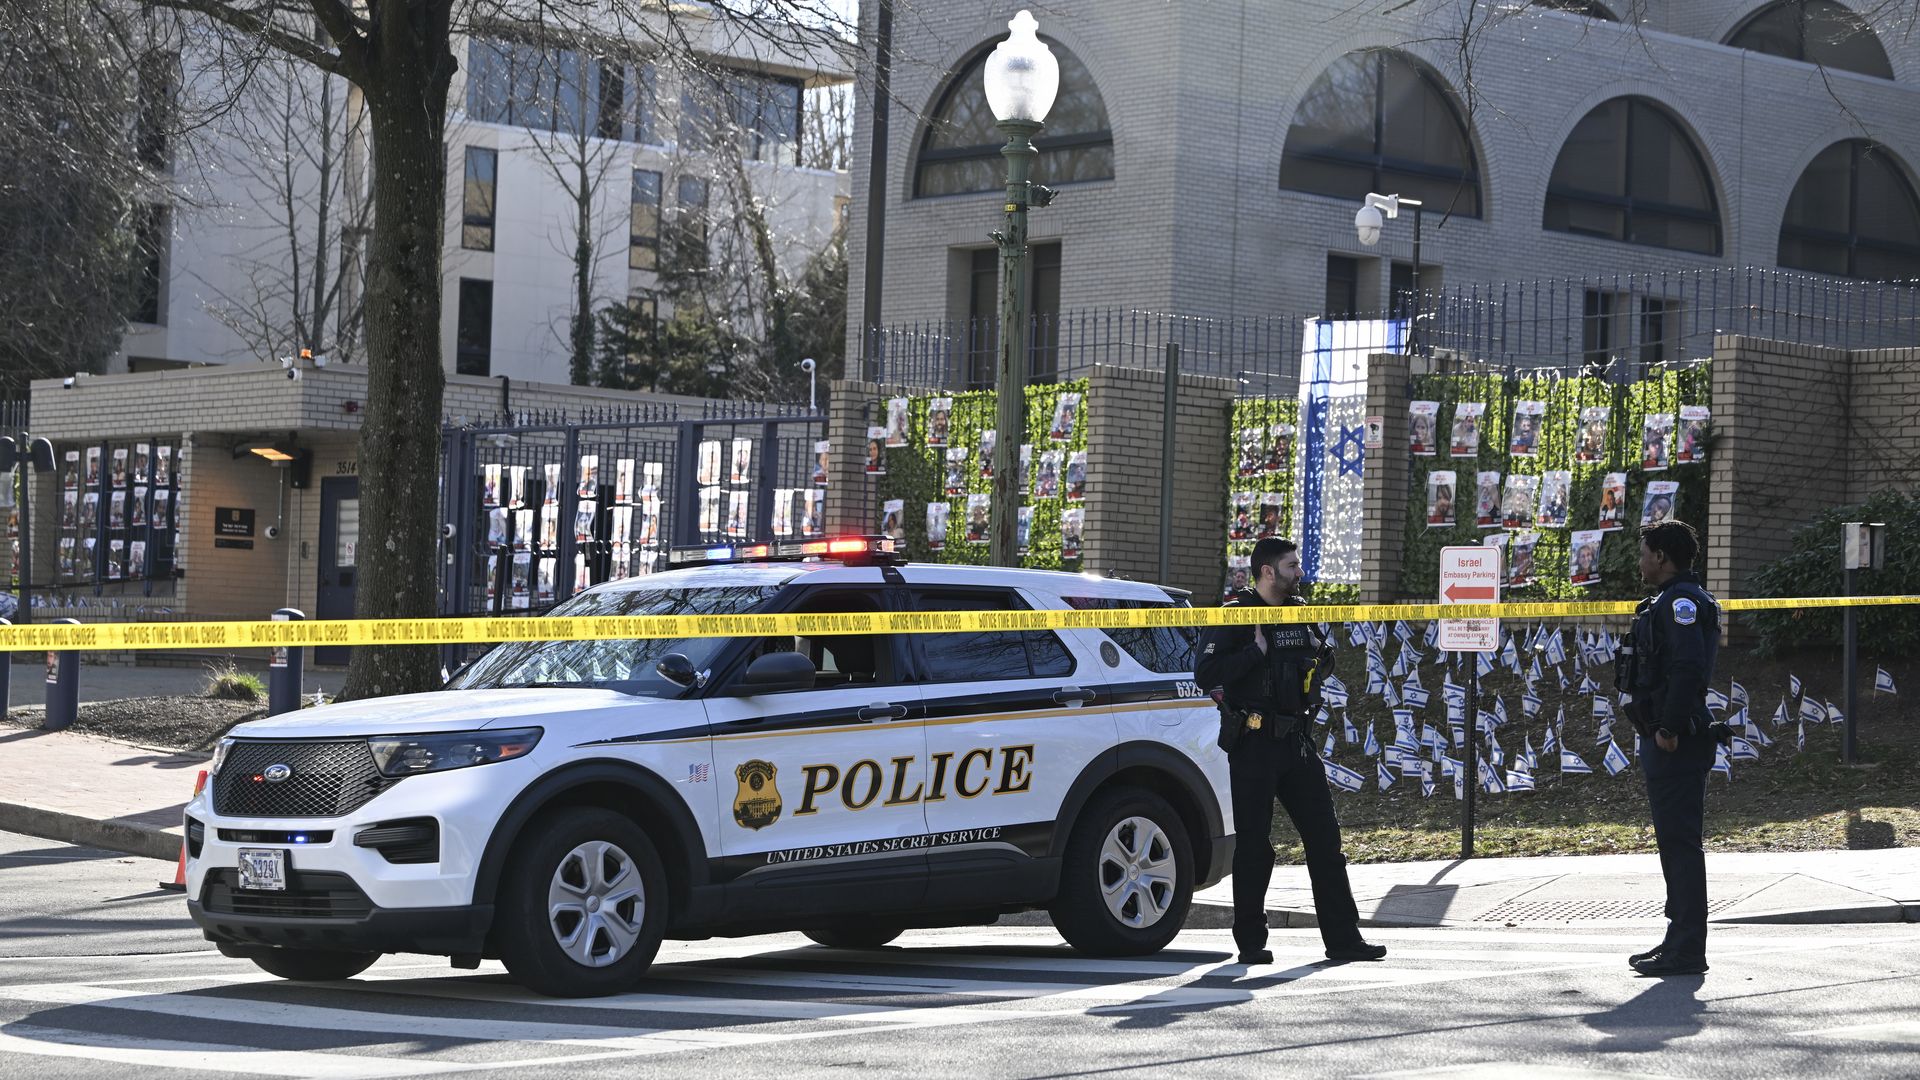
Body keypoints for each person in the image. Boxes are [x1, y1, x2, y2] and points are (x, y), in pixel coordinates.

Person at [1196, 537, 1385, 966]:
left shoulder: (1298, 611)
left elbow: (1322, 659)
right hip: (1254, 743)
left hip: (1297, 742)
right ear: (1267, 571)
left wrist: (1320, 657)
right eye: (1291, 565)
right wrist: (1254, 652)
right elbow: (1205, 672)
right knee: (1255, 846)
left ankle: (1343, 938)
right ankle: (1250, 942)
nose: (1299, 572)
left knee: (1325, 841)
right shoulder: (1235, 616)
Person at [1619, 519, 1720, 977]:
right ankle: (1676, 942)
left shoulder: (1681, 603)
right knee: (1674, 846)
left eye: (1644, 551)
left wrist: (1670, 727)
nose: (1640, 560)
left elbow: (1687, 667)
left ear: (1661, 557)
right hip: (1663, 734)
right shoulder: (1670, 600)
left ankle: (1686, 950)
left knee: (1680, 846)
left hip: (1675, 739)